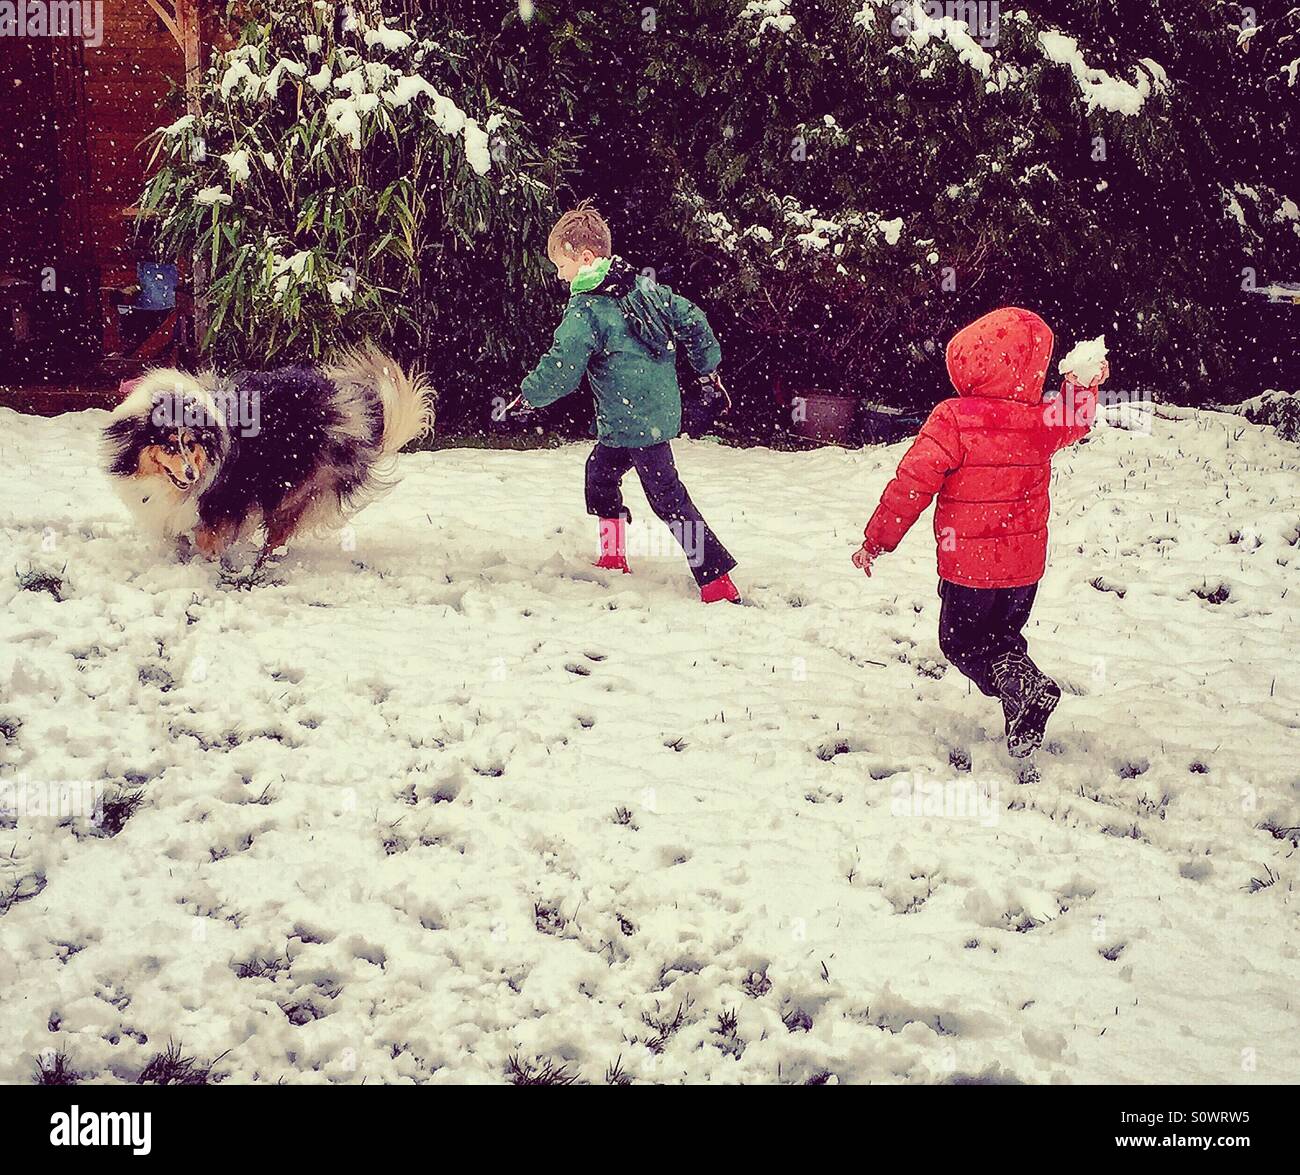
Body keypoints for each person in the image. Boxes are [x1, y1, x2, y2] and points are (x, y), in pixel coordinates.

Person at [852, 306, 1109, 756]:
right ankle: (1022, 707)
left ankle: (1023, 688)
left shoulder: (953, 418)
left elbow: (913, 482)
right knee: (1004, 641)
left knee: (961, 643)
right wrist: (1082, 386)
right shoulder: (1039, 420)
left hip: (969, 570)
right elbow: (1074, 420)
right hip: (1024, 571)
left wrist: (878, 539)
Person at [519, 201, 741, 603]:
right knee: (600, 475)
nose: (559, 274)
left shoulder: (587, 309)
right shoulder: (643, 288)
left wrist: (531, 394)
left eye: (561, 265)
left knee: (669, 499)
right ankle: (613, 555)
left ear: (584, 259)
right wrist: (708, 368)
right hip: (635, 420)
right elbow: (692, 318)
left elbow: (562, 366)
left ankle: (716, 579)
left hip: (636, 422)